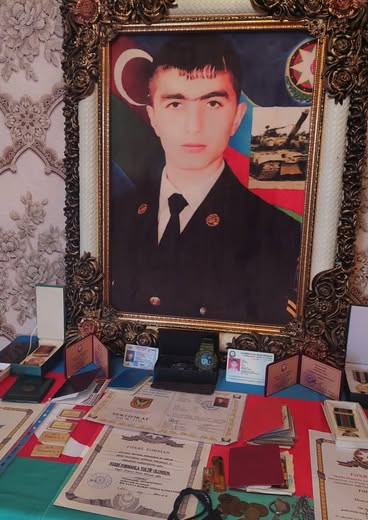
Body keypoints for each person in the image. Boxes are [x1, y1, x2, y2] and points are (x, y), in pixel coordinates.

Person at [110, 35, 301, 324]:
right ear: (153, 118)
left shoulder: (277, 233)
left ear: (237, 117)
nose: (194, 126)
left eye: (212, 103)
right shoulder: (115, 216)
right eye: (176, 104)